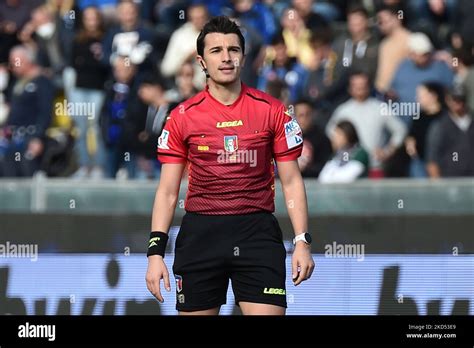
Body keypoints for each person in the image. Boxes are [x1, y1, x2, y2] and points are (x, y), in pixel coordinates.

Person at [146, 16, 314, 315]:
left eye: (233, 50)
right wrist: (155, 253)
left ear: (243, 57)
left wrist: (302, 240)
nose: (226, 57)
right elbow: (168, 191)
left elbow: (290, 181)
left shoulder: (272, 111)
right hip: (201, 235)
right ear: (201, 61)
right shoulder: (182, 116)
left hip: (257, 233)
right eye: (216, 51)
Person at [0, 45, 54, 177]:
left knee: (27, 175)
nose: (13, 66)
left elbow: (45, 112)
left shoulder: (42, 82)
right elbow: (13, 111)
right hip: (12, 138)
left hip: (29, 138)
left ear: (27, 60)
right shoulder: (17, 83)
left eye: (16, 62)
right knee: (9, 175)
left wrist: (37, 138)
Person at [426, 87, 474, 177]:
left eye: (460, 99)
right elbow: (432, 159)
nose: (458, 103)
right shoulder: (440, 125)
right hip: (450, 180)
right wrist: (437, 185)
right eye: (454, 99)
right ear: (447, 100)